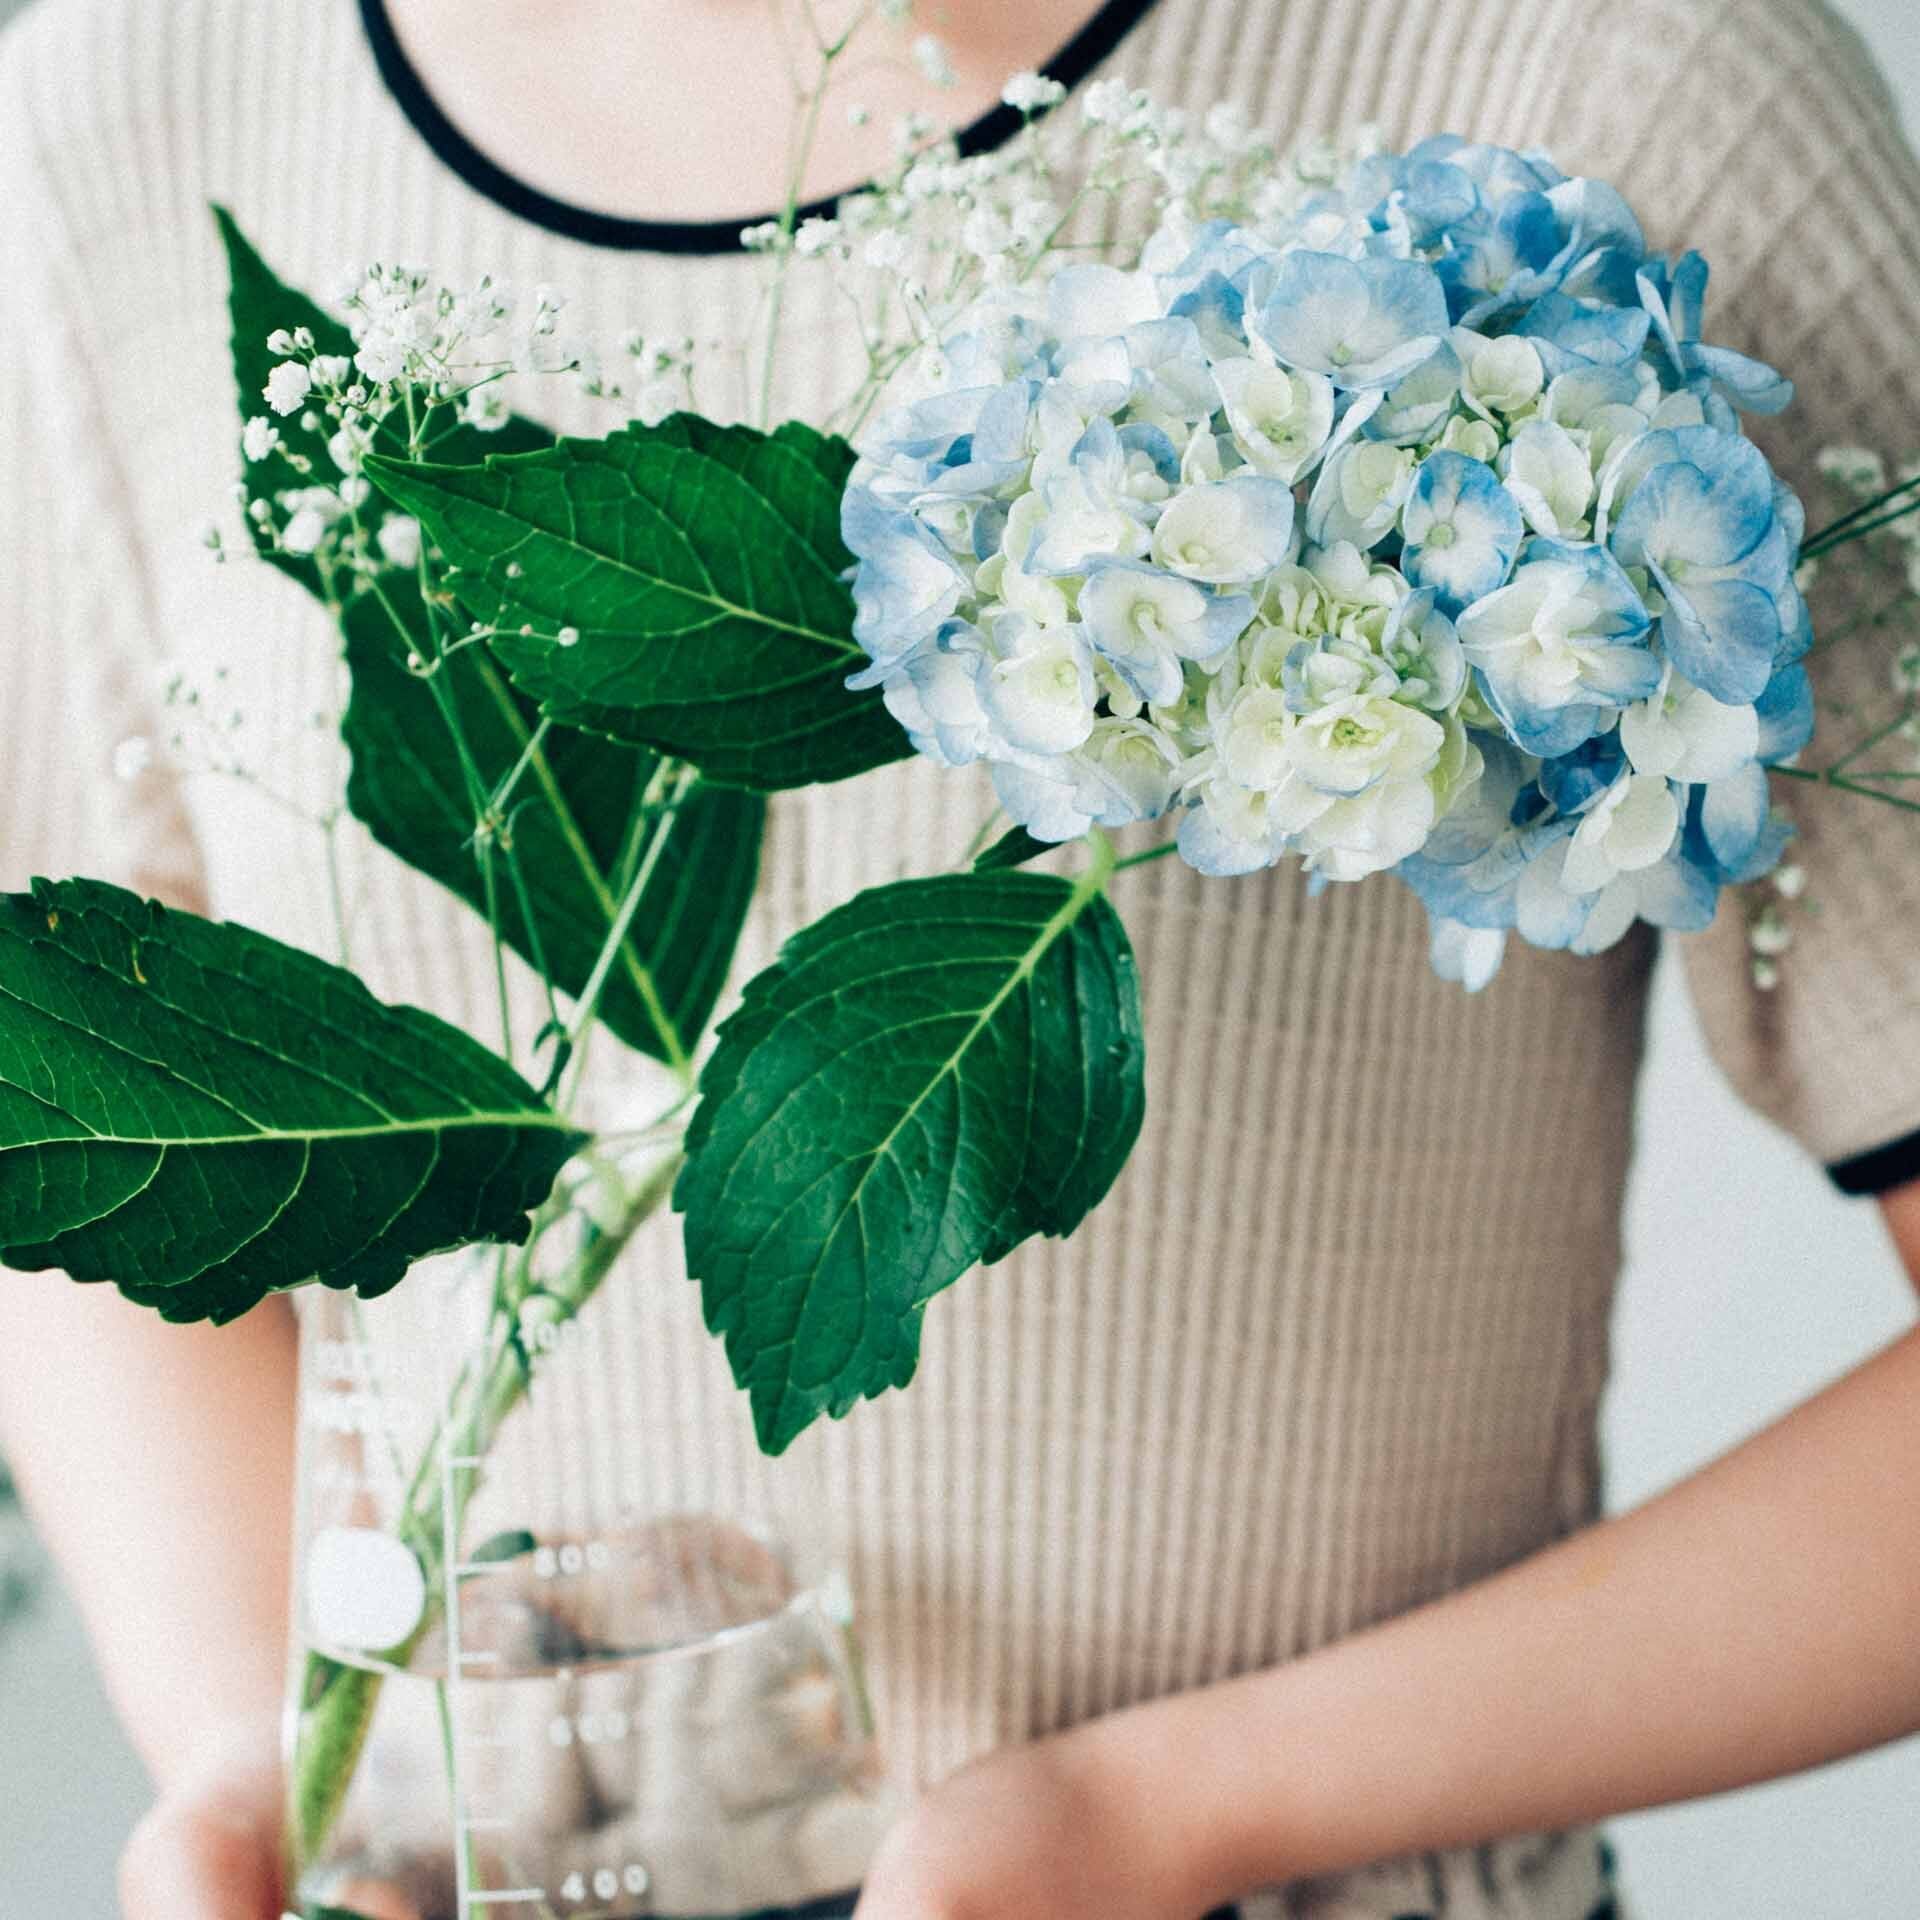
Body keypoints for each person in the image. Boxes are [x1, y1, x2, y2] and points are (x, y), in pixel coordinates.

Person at [0, 0, 1917, 1915]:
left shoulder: (1614, 76)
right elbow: (86, 1124)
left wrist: (1170, 1815)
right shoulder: (131, 98)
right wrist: (270, 1771)